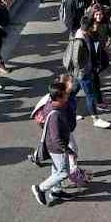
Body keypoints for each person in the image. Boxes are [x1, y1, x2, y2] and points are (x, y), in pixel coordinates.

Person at [31, 79, 76, 207]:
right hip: (57, 148)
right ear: (59, 97)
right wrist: (69, 151)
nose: (67, 95)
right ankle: (40, 188)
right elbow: (56, 138)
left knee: (57, 169)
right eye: (65, 94)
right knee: (63, 173)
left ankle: (56, 191)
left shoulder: (53, 104)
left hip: (55, 145)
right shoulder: (55, 115)